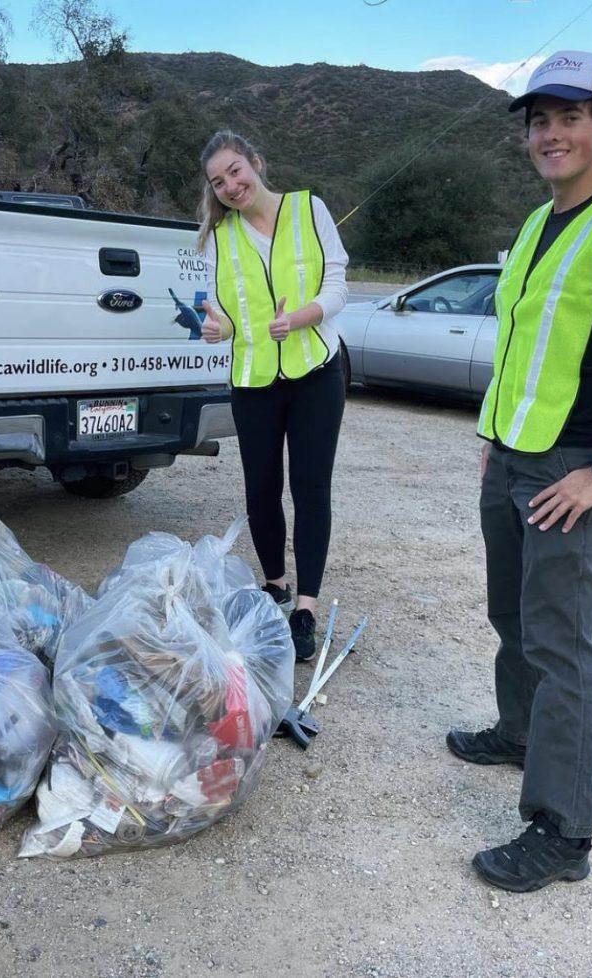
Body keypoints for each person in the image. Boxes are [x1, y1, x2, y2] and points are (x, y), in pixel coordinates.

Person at [448, 51, 592, 892]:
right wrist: (495, 442)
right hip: (512, 456)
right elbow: (525, 352)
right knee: (514, 612)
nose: (551, 133)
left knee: (561, 641)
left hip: (574, 467)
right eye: (540, 119)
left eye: (571, 116)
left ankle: (563, 832)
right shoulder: (541, 224)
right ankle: (517, 731)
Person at [197, 130, 348, 660]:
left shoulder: (310, 209)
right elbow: (222, 311)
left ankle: (305, 607)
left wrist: (304, 316)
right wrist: (217, 330)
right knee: (261, 488)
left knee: (310, 489)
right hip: (253, 379)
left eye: (236, 171)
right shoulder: (219, 237)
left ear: (256, 162)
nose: (231, 186)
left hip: (316, 371)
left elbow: (338, 283)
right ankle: (275, 584)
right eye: (219, 182)